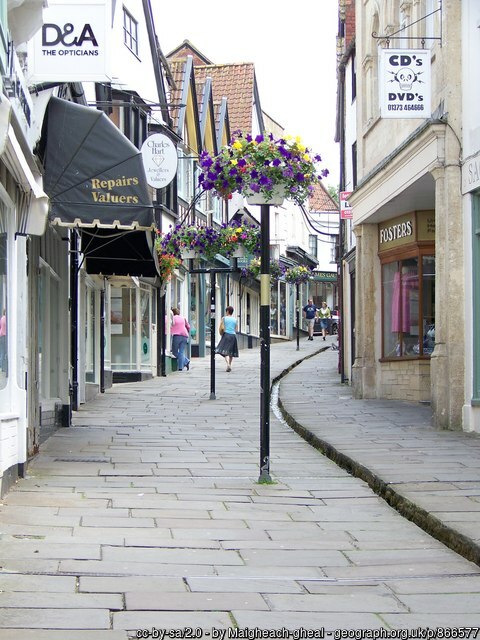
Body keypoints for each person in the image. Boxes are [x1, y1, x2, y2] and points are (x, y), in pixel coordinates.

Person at [215, 306, 238, 372]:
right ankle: (230, 364)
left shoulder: (224, 318)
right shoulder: (235, 320)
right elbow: (236, 329)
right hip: (233, 336)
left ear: (227, 311)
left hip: (226, 335)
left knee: (225, 351)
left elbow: (222, 327)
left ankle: (228, 364)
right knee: (231, 352)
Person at [170, 307, 190, 371]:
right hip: (185, 336)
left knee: (174, 352)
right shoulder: (183, 318)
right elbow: (188, 327)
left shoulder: (172, 318)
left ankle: (186, 361)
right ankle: (181, 367)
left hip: (176, 335)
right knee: (181, 352)